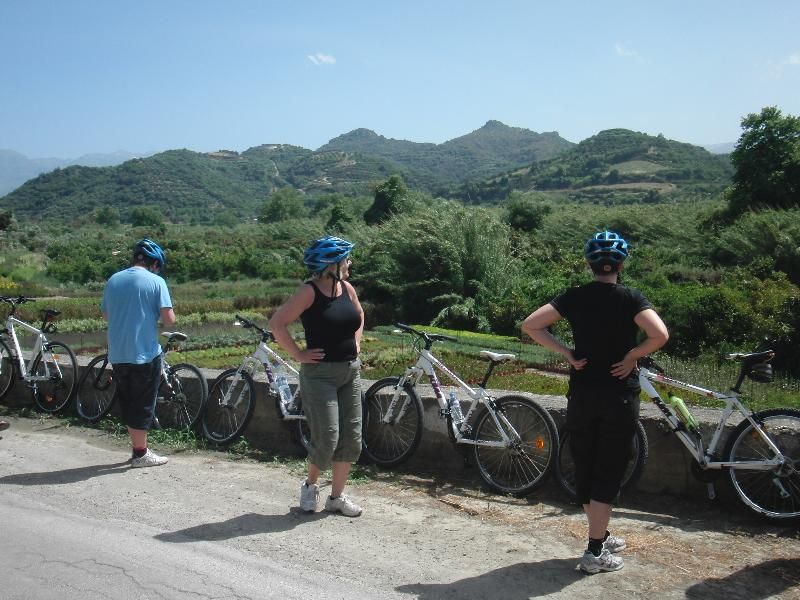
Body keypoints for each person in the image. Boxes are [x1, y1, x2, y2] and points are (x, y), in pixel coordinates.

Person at [521, 231, 668, 574]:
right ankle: (594, 552)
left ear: (589, 263)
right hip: (618, 396)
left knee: (586, 464)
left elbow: (531, 325)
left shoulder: (575, 296)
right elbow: (659, 334)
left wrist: (567, 353)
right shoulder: (631, 299)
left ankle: (599, 534)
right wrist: (631, 356)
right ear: (621, 264)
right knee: (609, 468)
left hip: (583, 393)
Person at [269, 235, 364, 517]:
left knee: (352, 438)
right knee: (328, 437)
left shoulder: (347, 288)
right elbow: (277, 324)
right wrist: (298, 354)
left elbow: (359, 315)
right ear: (331, 265)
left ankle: (336, 497)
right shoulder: (308, 292)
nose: (349, 263)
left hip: (350, 372)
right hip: (320, 376)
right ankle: (310, 486)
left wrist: (356, 342)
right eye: (345, 259)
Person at [102, 238, 175, 468]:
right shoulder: (157, 282)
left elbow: (106, 315)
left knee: (128, 402)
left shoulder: (113, 280)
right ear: (155, 264)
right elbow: (169, 320)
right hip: (144, 353)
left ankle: (137, 450)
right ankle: (141, 454)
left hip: (118, 352)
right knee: (143, 404)